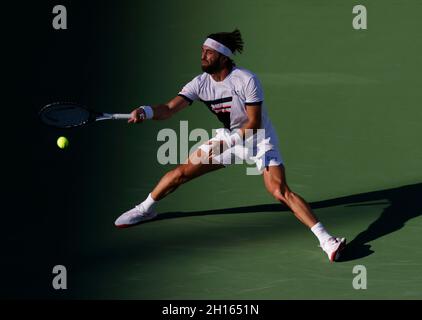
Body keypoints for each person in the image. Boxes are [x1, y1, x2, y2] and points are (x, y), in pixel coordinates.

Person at [114, 29, 346, 262]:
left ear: (223, 57)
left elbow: (254, 123)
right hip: (229, 138)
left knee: (279, 191)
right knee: (180, 173)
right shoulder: (200, 83)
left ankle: (327, 240)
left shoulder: (246, 79)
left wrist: (227, 143)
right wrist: (146, 111)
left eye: (209, 52)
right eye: (202, 51)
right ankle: (144, 210)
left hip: (259, 140)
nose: (203, 56)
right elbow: (169, 108)